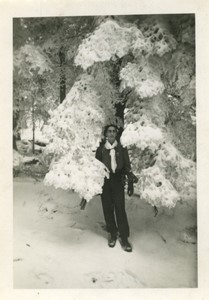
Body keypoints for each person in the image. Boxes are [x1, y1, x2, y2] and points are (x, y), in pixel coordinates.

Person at [95, 124, 138, 252]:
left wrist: (130, 182)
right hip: (105, 181)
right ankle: (113, 234)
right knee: (108, 208)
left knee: (120, 208)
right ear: (106, 134)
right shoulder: (101, 149)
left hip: (118, 180)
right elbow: (96, 166)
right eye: (109, 131)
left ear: (116, 134)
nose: (112, 133)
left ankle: (124, 238)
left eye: (114, 131)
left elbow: (127, 166)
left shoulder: (121, 148)